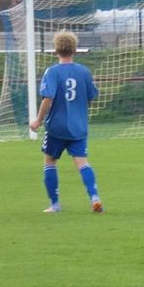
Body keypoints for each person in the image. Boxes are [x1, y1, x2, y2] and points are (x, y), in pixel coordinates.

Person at [28, 31, 102, 213]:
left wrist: (38, 120)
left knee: (50, 162)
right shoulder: (83, 71)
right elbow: (91, 96)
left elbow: (48, 97)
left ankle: (55, 204)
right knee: (82, 162)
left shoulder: (52, 72)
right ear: (75, 50)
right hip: (78, 126)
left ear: (55, 50)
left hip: (56, 127)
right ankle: (94, 196)